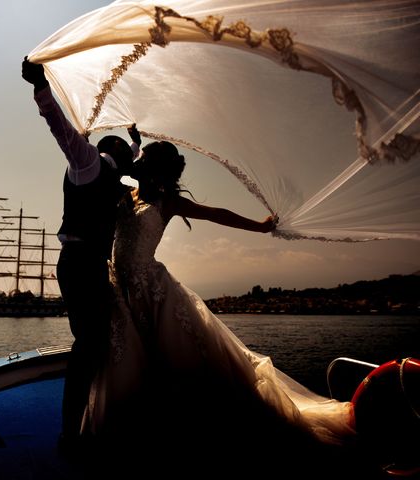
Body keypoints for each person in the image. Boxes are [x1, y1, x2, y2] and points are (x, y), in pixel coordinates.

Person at [83, 141, 376, 478]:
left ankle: (181, 430)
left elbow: (216, 214)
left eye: (144, 158)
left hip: (152, 290)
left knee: (169, 358)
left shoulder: (169, 202)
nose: (138, 160)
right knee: (132, 357)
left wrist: (261, 226)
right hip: (120, 289)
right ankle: (145, 426)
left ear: (157, 169)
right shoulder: (124, 193)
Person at [21, 57, 140, 451]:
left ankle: (86, 418)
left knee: (93, 342)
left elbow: (132, 156)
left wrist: (135, 139)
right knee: (87, 344)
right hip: (78, 264)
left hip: (85, 264)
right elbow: (59, 128)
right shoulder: (88, 161)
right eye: (129, 153)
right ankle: (69, 433)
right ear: (115, 154)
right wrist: (40, 87)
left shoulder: (111, 169)